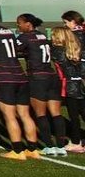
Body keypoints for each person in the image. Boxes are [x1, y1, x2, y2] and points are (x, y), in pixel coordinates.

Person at [0, 2, 40, 160]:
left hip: (4, 78)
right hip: (20, 75)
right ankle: (33, 149)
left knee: (9, 116)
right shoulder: (8, 31)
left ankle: (17, 150)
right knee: (25, 114)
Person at [16, 13, 65, 156]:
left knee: (40, 114)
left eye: (20, 23)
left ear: (28, 24)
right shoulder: (42, 35)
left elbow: (12, 49)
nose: (18, 25)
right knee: (56, 113)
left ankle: (49, 146)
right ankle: (61, 146)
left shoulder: (25, 37)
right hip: (51, 76)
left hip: (37, 78)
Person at [50, 27, 84, 152]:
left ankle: (76, 142)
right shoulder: (74, 49)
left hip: (68, 85)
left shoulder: (58, 51)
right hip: (79, 84)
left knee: (74, 117)